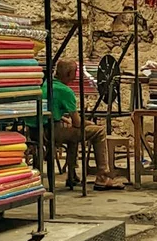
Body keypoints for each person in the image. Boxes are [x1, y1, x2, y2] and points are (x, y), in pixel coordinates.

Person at [39, 60, 125, 190]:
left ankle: (72, 175)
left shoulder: (46, 85)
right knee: (99, 131)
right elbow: (77, 123)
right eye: (74, 73)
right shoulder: (65, 91)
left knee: (73, 134)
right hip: (52, 131)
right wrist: (89, 124)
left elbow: (50, 109)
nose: (75, 77)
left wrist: (63, 118)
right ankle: (103, 176)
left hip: (41, 128)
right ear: (68, 74)